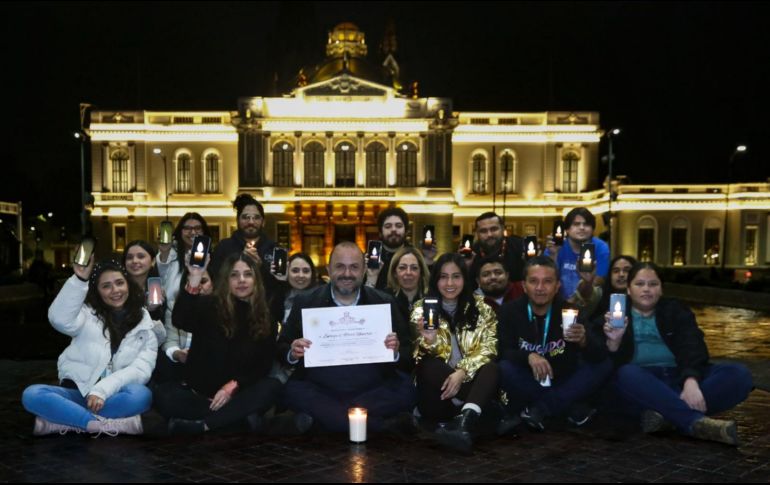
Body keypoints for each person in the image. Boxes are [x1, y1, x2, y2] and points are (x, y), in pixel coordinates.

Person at [596, 262, 753, 445]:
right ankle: (694, 422)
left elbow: (693, 345)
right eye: (639, 284)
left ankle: (667, 416)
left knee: (738, 374)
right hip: (643, 385)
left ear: (661, 289)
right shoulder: (613, 316)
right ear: (629, 290)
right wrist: (614, 341)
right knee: (626, 373)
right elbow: (600, 359)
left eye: (653, 284)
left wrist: (691, 380)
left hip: (678, 377)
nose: (646, 289)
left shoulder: (675, 310)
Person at [279, 241, 417, 434]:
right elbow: (282, 346)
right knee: (293, 391)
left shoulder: (384, 302)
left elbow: (408, 353)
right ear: (328, 268)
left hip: (372, 387)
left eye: (354, 267)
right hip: (321, 387)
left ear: (364, 271)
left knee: (406, 390)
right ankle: (381, 426)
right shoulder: (306, 302)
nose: (347, 274)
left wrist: (395, 351)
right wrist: (293, 352)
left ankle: (324, 421)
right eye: (340, 267)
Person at [21, 257, 157, 436]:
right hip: (77, 391)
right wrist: (79, 280)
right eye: (106, 286)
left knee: (141, 395)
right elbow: (59, 319)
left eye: (119, 283)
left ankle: (68, 420)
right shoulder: (86, 314)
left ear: (128, 285)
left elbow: (140, 370)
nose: (115, 290)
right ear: (98, 291)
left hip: (111, 395)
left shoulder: (146, 327)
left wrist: (101, 391)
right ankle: (98, 424)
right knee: (32, 394)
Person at [154, 253, 284, 434]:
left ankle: (206, 425)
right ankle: (234, 419)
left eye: (247, 274)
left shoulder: (266, 317)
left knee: (272, 387)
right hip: (200, 396)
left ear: (256, 280)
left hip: (239, 394)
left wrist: (233, 385)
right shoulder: (209, 305)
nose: (241, 280)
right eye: (234, 275)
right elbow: (181, 320)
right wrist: (195, 277)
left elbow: (262, 365)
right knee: (162, 395)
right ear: (226, 280)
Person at [497, 256, 611, 431]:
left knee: (604, 364)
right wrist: (529, 355)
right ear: (524, 286)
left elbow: (599, 354)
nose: (540, 288)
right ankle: (568, 407)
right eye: (533, 281)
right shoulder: (509, 311)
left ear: (557, 286)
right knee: (504, 368)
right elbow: (504, 351)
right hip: (529, 380)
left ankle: (541, 409)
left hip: (564, 379)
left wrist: (584, 341)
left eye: (547, 282)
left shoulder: (572, 311)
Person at [412, 253, 501, 452]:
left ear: (465, 279)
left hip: (471, 381)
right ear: (435, 280)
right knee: (428, 364)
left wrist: (462, 372)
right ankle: (475, 412)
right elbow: (416, 356)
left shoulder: (483, 309)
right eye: (443, 277)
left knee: (491, 368)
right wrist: (430, 340)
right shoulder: (420, 310)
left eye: (456, 276)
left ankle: (464, 423)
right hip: (441, 394)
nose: (449, 283)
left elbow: (490, 347)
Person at [156, 213, 211, 373]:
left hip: (204, 318)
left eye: (197, 228)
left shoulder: (210, 260)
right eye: (187, 228)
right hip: (174, 322)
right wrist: (164, 250)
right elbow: (162, 265)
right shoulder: (171, 257)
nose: (192, 232)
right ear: (180, 232)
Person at [544, 207, 609, 311]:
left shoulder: (601, 247)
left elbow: (598, 282)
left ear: (592, 229)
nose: (582, 227)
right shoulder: (555, 247)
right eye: (576, 224)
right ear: (567, 230)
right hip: (556, 304)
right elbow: (546, 280)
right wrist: (553, 254)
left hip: (589, 305)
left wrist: (574, 300)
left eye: (586, 224)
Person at [208, 194, 276, 291]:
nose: (251, 222)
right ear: (237, 221)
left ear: (263, 222)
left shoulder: (274, 249)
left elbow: (279, 286)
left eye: (256, 217)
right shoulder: (224, 247)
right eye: (245, 217)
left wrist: (260, 268)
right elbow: (216, 280)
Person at [123, 240, 167, 345]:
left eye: (141, 256)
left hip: (150, 346)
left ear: (152, 261)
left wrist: (153, 309)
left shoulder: (157, 289)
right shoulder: (118, 290)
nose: (134, 261)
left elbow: (160, 328)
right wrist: (147, 309)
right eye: (129, 257)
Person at [468, 212, 525, 289]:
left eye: (494, 229)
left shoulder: (519, 246)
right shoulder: (471, 253)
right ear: (477, 233)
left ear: (503, 229)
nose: (489, 234)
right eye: (483, 231)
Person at [364, 207, 411, 290]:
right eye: (388, 226)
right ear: (380, 232)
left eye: (398, 226)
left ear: (406, 231)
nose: (393, 229)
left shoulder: (415, 257)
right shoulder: (369, 260)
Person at [270, 253, 319, 326]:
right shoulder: (280, 295)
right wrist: (280, 281)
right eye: (295, 271)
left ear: (312, 273)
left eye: (306, 271)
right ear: (287, 272)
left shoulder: (322, 295)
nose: (301, 275)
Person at [385, 246, 430, 323]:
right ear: (394, 272)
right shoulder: (385, 299)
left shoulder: (430, 299)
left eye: (414, 268)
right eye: (402, 268)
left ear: (421, 272)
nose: (408, 273)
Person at [590, 255, 637, 322]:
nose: (621, 274)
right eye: (616, 271)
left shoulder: (641, 301)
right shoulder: (599, 296)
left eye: (627, 270)